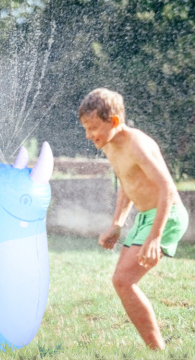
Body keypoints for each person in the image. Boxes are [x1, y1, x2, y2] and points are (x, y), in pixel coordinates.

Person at [78, 88, 189, 350]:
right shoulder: (109, 144)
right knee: (122, 281)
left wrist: (155, 237)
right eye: (85, 128)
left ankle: (157, 349)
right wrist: (117, 224)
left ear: (114, 121)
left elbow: (167, 189)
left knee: (123, 281)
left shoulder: (137, 145)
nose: (89, 135)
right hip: (146, 216)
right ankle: (155, 348)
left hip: (167, 214)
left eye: (93, 127)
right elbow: (127, 183)